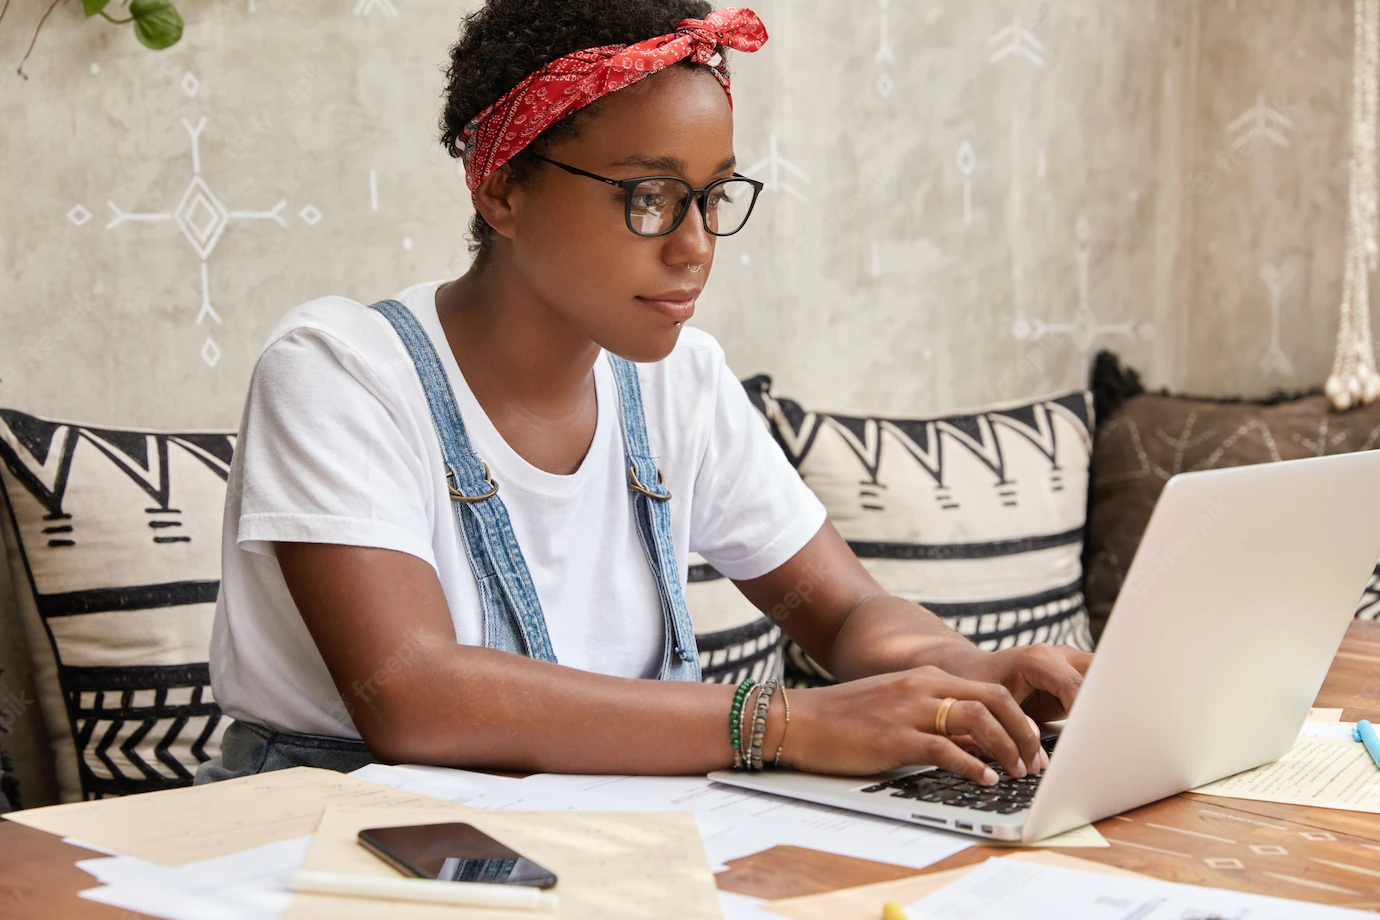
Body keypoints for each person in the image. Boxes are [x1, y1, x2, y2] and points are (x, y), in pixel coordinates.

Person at [196, 0, 1091, 787]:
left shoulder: (679, 381)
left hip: (603, 829)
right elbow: (415, 695)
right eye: (650, 196)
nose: (696, 244)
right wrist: (783, 724)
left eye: (714, 196)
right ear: (503, 188)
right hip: (336, 838)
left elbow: (844, 610)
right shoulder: (340, 370)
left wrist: (964, 674)